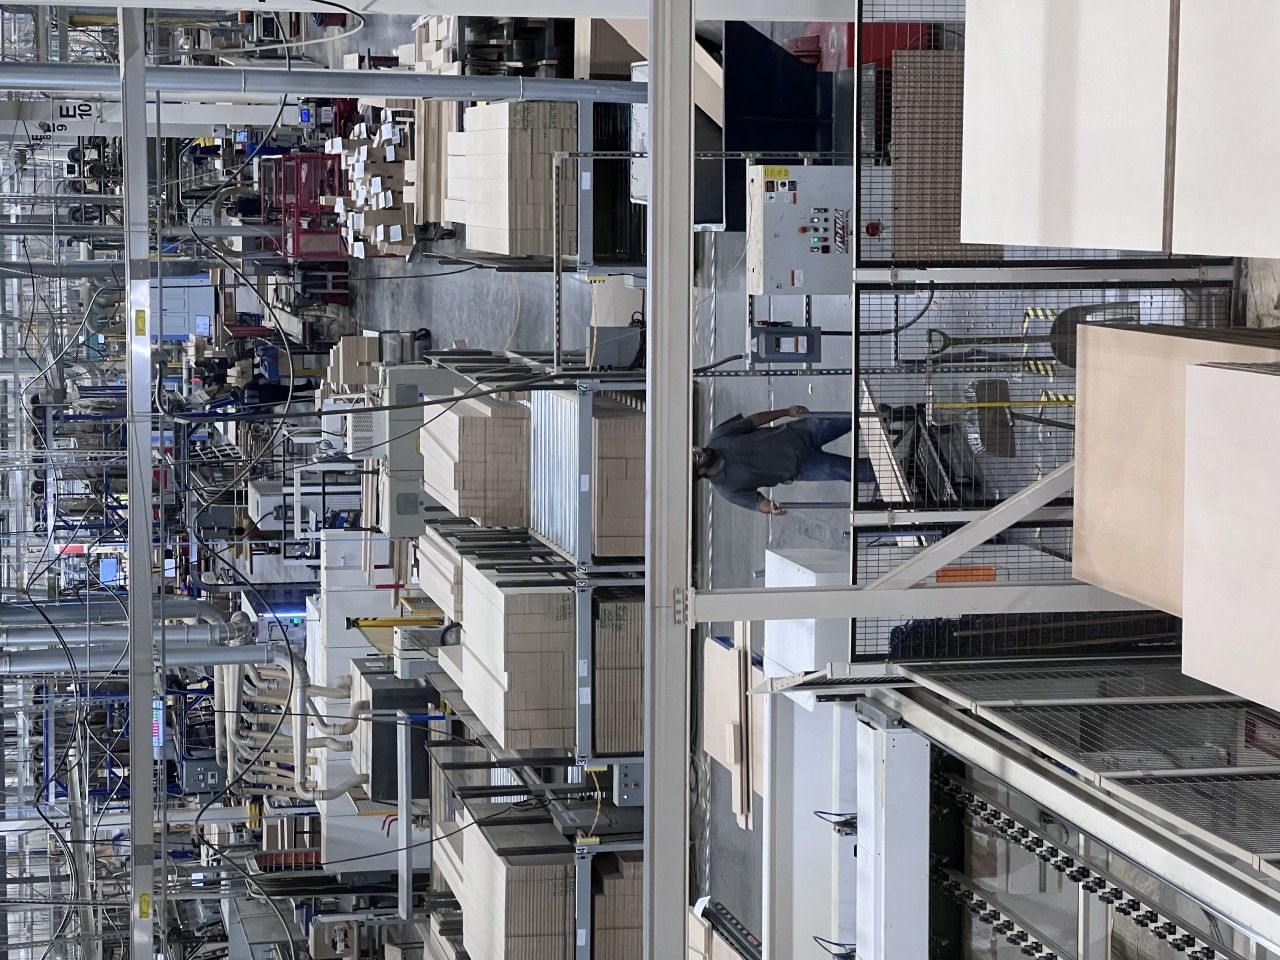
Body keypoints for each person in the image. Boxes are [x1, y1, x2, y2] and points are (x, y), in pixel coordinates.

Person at [693, 406, 876, 514]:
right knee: (853, 472)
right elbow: (758, 503)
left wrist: (786, 411)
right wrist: (770, 507)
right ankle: (897, 472)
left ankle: (896, 415)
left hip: (802, 431)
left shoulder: (718, 436)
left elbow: (752, 421)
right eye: (695, 458)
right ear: (699, 473)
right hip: (803, 467)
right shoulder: (728, 490)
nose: (698, 451)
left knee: (854, 417)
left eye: (694, 450)